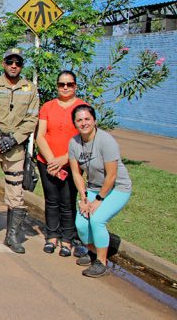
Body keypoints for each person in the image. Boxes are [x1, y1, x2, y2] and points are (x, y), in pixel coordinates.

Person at [0, 48, 39, 253]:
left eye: (18, 62)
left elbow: (32, 119)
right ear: (3, 63)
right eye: (10, 62)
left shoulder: (30, 89)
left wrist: (14, 139)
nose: (14, 65)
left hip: (15, 150)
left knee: (16, 194)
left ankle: (12, 236)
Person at [68, 105, 132, 278]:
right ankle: (94, 252)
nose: (84, 123)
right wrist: (83, 197)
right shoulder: (74, 143)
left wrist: (98, 200)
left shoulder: (106, 141)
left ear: (94, 120)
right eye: (79, 120)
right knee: (81, 224)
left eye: (87, 119)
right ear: (74, 123)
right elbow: (76, 173)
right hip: (93, 188)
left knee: (96, 219)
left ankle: (101, 262)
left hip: (117, 188)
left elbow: (111, 176)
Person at [36, 71, 88, 257]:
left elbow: (85, 138)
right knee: (51, 200)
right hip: (47, 162)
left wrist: (64, 159)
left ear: (75, 86)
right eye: (61, 84)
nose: (65, 87)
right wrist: (51, 160)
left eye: (69, 84)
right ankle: (51, 236)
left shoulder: (83, 107)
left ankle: (67, 239)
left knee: (67, 201)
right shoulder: (48, 107)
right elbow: (40, 135)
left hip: (71, 164)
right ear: (57, 86)